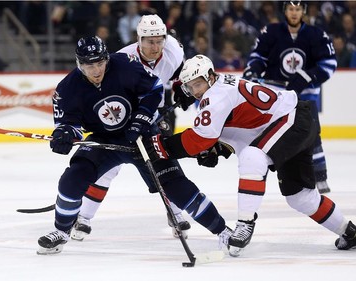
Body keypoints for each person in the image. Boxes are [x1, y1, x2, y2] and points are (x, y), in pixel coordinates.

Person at [37, 36, 233, 255]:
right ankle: (61, 231)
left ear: (106, 58)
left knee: (175, 185)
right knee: (72, 179)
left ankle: (223, 231)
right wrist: (64, 134)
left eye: (100, 63)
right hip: (104, 141)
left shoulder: (124, 64)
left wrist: (141, 119)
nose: (96, 70)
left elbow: (154, 88)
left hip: (143, 135)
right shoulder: (67, 88)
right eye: (90, 65)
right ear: (79, 64)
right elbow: (68, 123)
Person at [145, 54, 356, 256]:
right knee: (300, 197)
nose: (196, 91)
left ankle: (245, 225)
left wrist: (161, 145)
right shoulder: (220, 88)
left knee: (252, 157)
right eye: (191, 87)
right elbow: (236, 130)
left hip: (291, 121)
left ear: (210, 76)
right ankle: (350, 232)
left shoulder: (216, 96)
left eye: (198, 84)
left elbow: (198, 139)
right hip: (293, 123)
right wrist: (216, 150)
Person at [71, 15, 193, 242]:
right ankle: (84, 218)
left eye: (159, 40)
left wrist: (182, 91)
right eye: (149, 41)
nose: (155, 46)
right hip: (122, 119)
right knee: (107, 169)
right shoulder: (124, 58)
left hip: (153, 115)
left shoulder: (174, 50)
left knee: (164, 164)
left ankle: (175, 213)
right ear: (139, 39)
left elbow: (179, 74)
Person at [242, 1, 336, 194]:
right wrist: (253, 70)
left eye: (298, 9)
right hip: (277, 93)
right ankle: (262, 173)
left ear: (303, 11)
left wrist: (305, 78)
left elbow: (328, 63)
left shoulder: (316, 34)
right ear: (285, 11)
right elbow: (258, 57)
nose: (294, 13)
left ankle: (320, 176)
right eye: (291, 9)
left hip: (306, 93)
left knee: (311, 134)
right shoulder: (271, 32)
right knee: (269, 132)